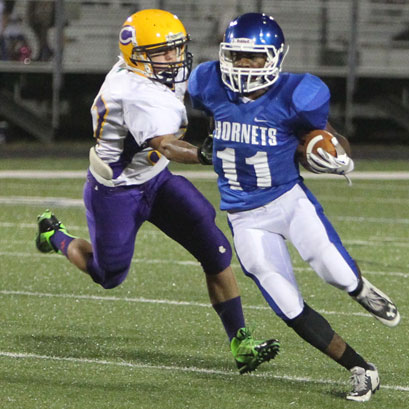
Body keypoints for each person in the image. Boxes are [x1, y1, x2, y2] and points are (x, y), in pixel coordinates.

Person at [35, 9, 280, 375]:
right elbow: (165, 144)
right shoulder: (133, 92)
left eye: (177, 49)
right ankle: (55, 235)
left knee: (215, 250)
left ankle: (241, 341)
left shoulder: (147, 72)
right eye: (164, 53)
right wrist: (203, 153)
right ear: (136, 54)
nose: (174, 59)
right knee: (108, 275)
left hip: (156, 180)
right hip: (116, 191)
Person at [187, 12, 400, 402]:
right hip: (244, 216)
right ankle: (360, 368)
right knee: (286, 303)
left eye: (254, 58)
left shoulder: (297, 94)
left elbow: (333, 139)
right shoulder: (208, 84)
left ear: (274, 57)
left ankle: (360, 289)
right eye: (237, 56)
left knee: (333, 270)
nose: (244, 66)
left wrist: (339, 158)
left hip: (287, 200)